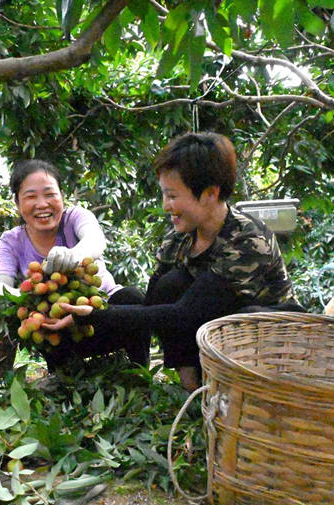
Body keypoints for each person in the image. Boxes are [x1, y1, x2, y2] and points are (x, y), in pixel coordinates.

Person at [45, 132, 303, 391]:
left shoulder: (247, 239)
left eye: (172, 195)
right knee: (164, 286)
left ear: (210, 193)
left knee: (241, 317)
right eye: (164, 195)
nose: (166, 205)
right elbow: (154, 306)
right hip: (214, 332)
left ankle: (225, 391)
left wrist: (99, 316)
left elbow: (184, 314)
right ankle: (190, 386)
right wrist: (86, 317)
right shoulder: (177, 241)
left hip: (274, 345)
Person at [0, 159, 148, 370]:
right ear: (17, 204)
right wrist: (27, 295)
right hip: (59, 329)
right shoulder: (11, 240)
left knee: (133, 298)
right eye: (31, 197)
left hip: (104, 316)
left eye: (50, 194)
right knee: (27, 319)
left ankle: (140, 372)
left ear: (62, 197)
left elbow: (95, 240)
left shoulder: (76, 217)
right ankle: (63, 377)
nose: (42, 204)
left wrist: (73, 256)